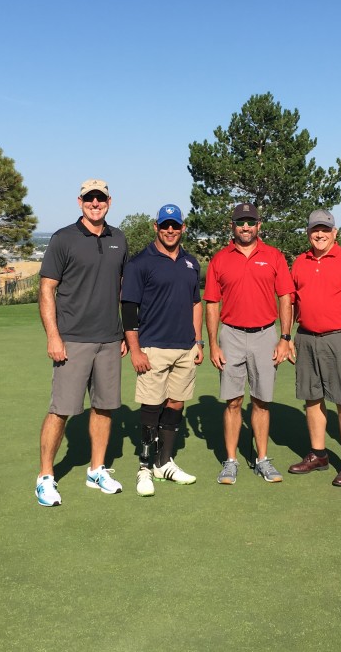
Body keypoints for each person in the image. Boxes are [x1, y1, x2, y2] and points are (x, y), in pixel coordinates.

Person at [35, 179, 128, 506]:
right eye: (89, 198)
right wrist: (54, 337)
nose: (95, 203)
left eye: (100, 198)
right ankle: (45, 476)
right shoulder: (63, 239)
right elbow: (47, 289)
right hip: (72, 340)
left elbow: (120, 289)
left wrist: (122, 333)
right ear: (80, 202)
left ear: (109, 201)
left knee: (104, 407)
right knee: (61, 410)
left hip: (109, 339)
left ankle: (96, 469)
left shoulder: (119, 238)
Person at [204, 202, 294, 485]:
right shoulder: (220, 259)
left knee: (262, 400)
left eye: (250, 222)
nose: (245, 227)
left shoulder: (274, 256)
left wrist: (285, 337)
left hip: (266, 334)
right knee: (233, 401)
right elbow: (211, 304)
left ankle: (262, 459)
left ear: (259, 225)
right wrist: (214, 344)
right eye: (240, 222)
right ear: (233, 226)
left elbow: (285, 298)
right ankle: (230, 462)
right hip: (230, 334)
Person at [121, 204, 204, 497]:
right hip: (152, 346)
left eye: (175, 225)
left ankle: (164, 462)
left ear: (183, 228)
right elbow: (129, 308)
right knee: (151, 406)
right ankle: (144, 467)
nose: (170, 230)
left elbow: (196, 303)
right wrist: (135, 350)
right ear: (156, 227)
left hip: (185, 347)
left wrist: (198, 341)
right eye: (165, 225)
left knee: (176, 403)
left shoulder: (191, 263)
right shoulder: (140, 263)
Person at [288, 209, 341, 487]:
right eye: (315, 230)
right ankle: (319, 454)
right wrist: (287, 337)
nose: (320, 234)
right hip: (306, 337)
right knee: (311, 398)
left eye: (325, 229)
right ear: (308, 232)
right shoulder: (300, 262)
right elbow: (291, 302)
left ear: (335, 232)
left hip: (340, 337)